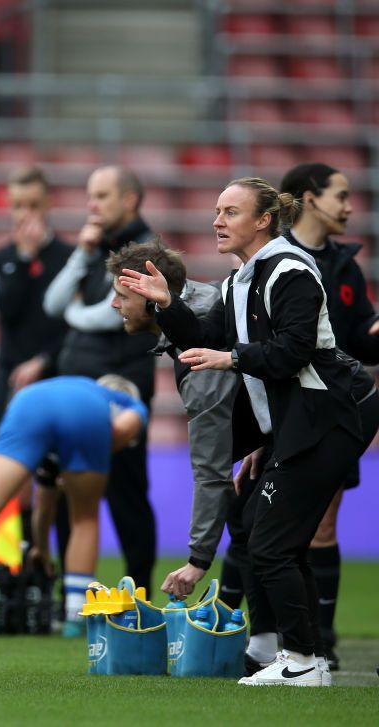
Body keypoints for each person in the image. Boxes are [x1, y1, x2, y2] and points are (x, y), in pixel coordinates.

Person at [119, 177, 379, 687]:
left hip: (336, 413)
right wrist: (167, 305)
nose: (216, 221)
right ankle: (304, 657)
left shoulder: (291, 270)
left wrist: (232, 358)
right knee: (262, 526)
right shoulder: (240, 279)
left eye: (229, 212)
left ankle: (300, 660)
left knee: (270, 541)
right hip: (301, 420)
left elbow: (294, 351)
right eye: (216, 211)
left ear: (263, 220)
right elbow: (204, 339)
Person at [0, 376, 147, 636]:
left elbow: (43, 508)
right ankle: (74, 616)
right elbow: (120, 431)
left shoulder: (70, 385)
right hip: (86, 416)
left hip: (29, 403)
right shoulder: (130, 404)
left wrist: (41, 549)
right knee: (85, 518)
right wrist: (85, 461)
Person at [105, 240, 250, 605]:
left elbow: (212, 472)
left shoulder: (200, 364)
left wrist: (197, 560)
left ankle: (304, 649)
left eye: (122, 294)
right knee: (252, 527)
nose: (114, 304)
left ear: (155, 298)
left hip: (332, 415)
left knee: (270, 541)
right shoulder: (210, 300)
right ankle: (266, 644)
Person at [280, 162, 379, 671]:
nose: (349, 205)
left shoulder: (344, 265)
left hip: (337, 411)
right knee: (271, 530)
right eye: (340, 195)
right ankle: (274, 637)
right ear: (310, 199)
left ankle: (322, 641)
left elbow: (362, 339)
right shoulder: (275, 259)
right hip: (282, 413)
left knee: (322, 527)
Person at [43, 165, 158, 590]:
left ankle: (140, 591)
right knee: (66, 491)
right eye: (90, 195)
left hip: (121, 386)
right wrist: (81, 253)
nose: (91, 205)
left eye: (102, 196)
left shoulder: (146, 251)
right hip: (78, 387)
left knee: (126, 494)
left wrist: (73, 314)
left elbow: (110, 315)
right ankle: (72, 595)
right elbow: (52, 303)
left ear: (128, 200)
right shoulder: (96, 247)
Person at [0, 167, 71, 437]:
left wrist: (43, 360)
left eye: (33, 205)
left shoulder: (72, 259)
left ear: (48, 204)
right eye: (18, 205)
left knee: (54, 474)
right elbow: (5, 310)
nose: (25, 213)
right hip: (10, 378)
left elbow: (74, 323)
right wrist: (23, 258)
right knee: (3, 468)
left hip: (57, 375)